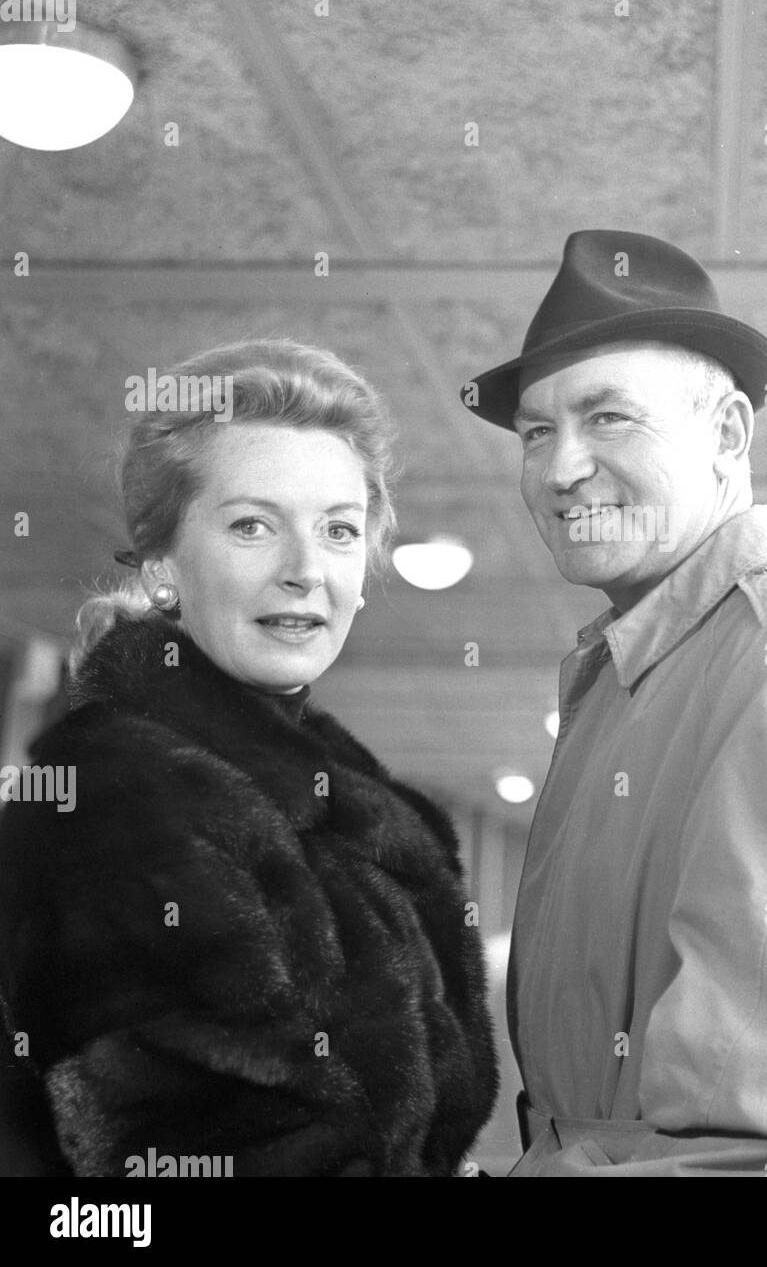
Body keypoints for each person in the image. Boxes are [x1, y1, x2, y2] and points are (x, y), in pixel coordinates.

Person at [461, 230, 767, 1176]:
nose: (561, 470)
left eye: (608, 418)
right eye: (535, 432)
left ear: (728, 433)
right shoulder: (635, 668)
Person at [0, 339, 497, 1176]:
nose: (306, 570)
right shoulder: (110, 802)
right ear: (162, 568)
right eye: (252, 526)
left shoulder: (359, 811)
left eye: (338, 530)